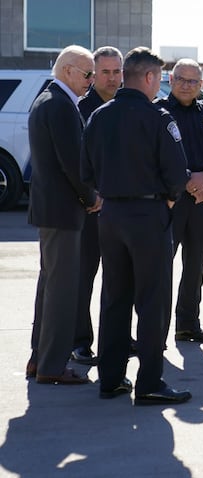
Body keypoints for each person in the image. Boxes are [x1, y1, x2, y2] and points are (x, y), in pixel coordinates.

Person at [81, 47, 195, 404]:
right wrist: (170, 196)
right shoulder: (159, 118)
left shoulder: (98, 116)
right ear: (148, 78)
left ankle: (111, 379)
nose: (160, 84)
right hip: (148, 216)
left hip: (110, 216)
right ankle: (149, 383)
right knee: (152, 300)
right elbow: (178, 175)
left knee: (114, 298)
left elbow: (86, 173)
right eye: (159, 78)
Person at [26, 45, 101, 384]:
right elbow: (72, 162)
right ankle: (52, 366)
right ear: (68, 70)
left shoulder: (49, 99)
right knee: (61, 290)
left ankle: (40, 357)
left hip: (52, 209)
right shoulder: (60, 104)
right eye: (88, 74)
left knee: (51, 285)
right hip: (63, 209)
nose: (92, 80)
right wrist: (91, 196)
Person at [156, 59, 203, 344]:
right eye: (182, 80)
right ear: (170, 80)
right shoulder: (158, 112)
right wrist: (188, 180)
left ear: (201, 84)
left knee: (196, 266)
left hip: (201, 202)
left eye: (193, 81)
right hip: (169, 202)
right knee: (161, 267)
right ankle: (155, 330)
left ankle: (188, 325)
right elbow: (156, 156)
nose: (187, 85)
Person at [71, 45, 123, 366]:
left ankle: (115, 338)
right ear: (93, 73)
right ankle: (80, 341)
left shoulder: (126, 106)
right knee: (85, 277)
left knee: (119, 280)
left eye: (117, 72)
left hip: (121, 209)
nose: (112, 78)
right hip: (89, 208)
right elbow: (75, 162)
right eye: (105, 72)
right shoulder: (81, 108)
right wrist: (89, 197)